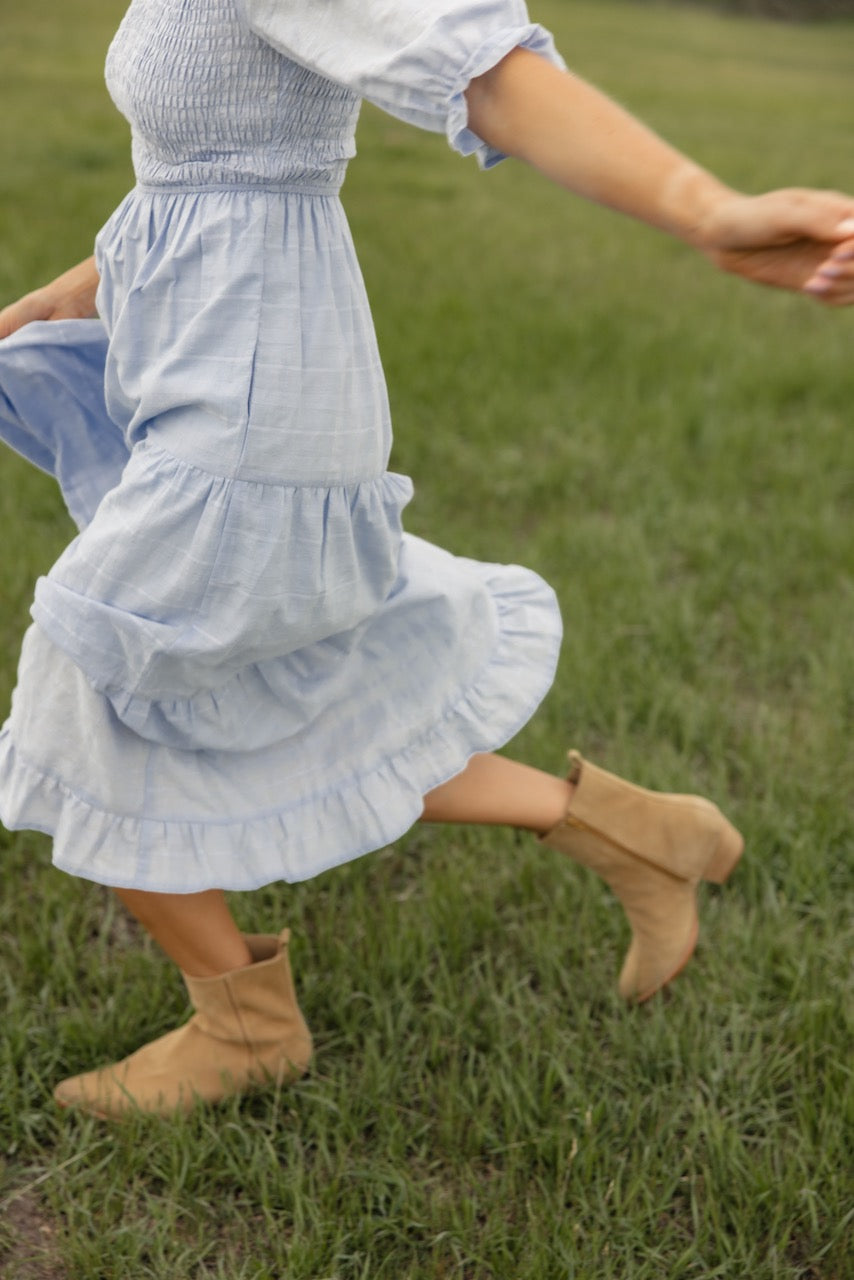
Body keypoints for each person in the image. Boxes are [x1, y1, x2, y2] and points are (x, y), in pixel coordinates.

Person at [0, 1, 852, 1123]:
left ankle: (244, 1027)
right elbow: (210, 156)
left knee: (90, 692)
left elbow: (483, 67)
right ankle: (632, 832)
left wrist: (707, 209)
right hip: (210, 360)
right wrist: (75, 292)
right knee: (271, 687)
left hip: (253, 400)